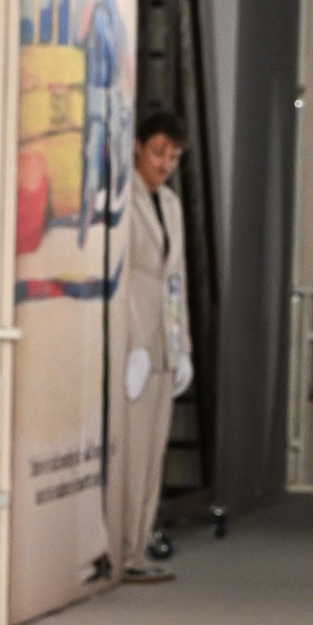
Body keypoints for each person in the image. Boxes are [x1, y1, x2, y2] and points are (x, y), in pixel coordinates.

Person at [121, 112, 193, 584]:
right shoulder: (122, 198)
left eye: (173, 156)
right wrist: (131, 343)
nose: (164, 163)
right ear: (138, 147)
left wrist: (182, 345)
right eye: (158, 152)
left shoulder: (169, 203)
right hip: (135, 342)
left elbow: (175, 280)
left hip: (163, 342)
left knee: (153, 451)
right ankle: (123, 548)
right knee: (131, 450)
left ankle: (140, 542)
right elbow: (121, 278)